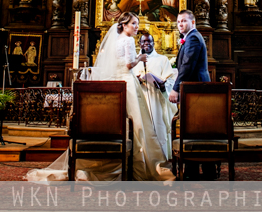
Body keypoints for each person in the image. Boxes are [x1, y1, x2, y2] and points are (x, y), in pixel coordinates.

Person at [26, 12, 173, 181]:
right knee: (136, 124)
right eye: (133, 24)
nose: (136, 27)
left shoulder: (116, 40)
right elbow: (129, 64)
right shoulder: (129, 40)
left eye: (137, 24)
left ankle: (110, 163)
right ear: (124, 25)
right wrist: (140, 58)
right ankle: (136, 164)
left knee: (114, 122)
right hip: (129, 84)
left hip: (114, 83)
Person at [169, 10, 213, 179]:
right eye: (179, 21)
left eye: (184, 21)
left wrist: (175, 88)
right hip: (194, 89)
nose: (180, 24)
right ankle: (194, 169)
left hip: (196, 89)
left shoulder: (193, 38)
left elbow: (187, 66)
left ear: (193, 22)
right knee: (193, 130)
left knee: (197, 130)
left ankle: (199, 170)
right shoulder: (190, 38)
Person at [132, 34, 177, 159]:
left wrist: (163, 85)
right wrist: (136, 80)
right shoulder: (135, 60)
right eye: (144, 41)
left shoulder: (162, 59)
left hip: (157, 100)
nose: (147, 44)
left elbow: (170, 80)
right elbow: (129, 79)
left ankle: (160, 157)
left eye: (149, 41)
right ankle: (143, 158)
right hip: (140, 98)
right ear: (139, 43)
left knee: (158, 126)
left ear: (154, 43)